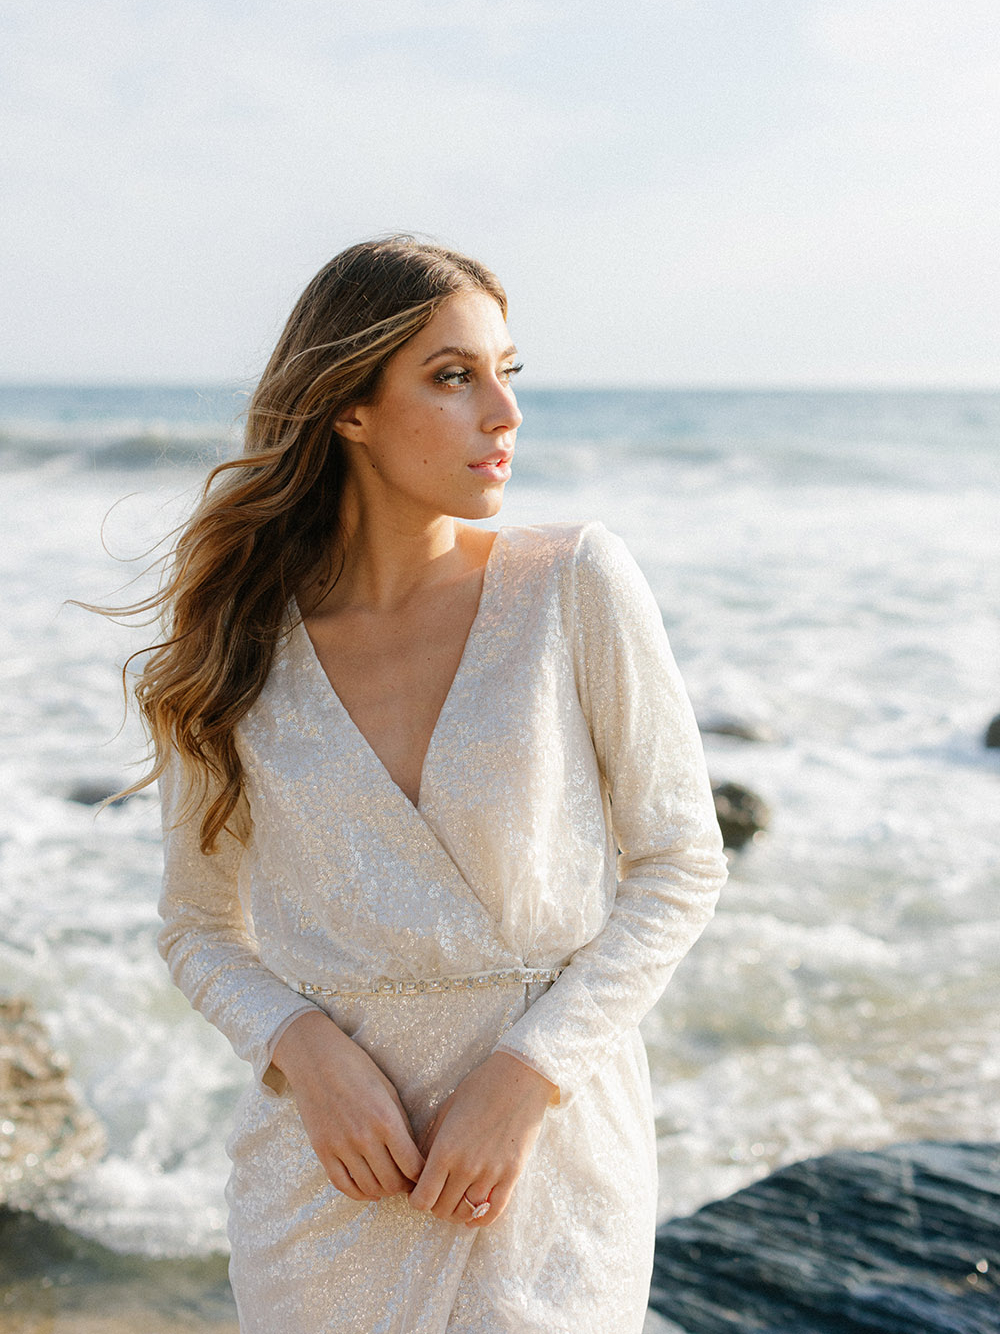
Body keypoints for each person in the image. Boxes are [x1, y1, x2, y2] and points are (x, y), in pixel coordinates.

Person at [135, 235, 728, 1332]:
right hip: (328, 1184)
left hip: (542, 1170)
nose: (502, 413)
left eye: (509, 372)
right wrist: (302, 1052)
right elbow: (196, 926)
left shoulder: (572, 582)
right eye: (454, 376)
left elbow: (679, 862)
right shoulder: (237, 640)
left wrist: (528, 1073)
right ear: (347, 406)